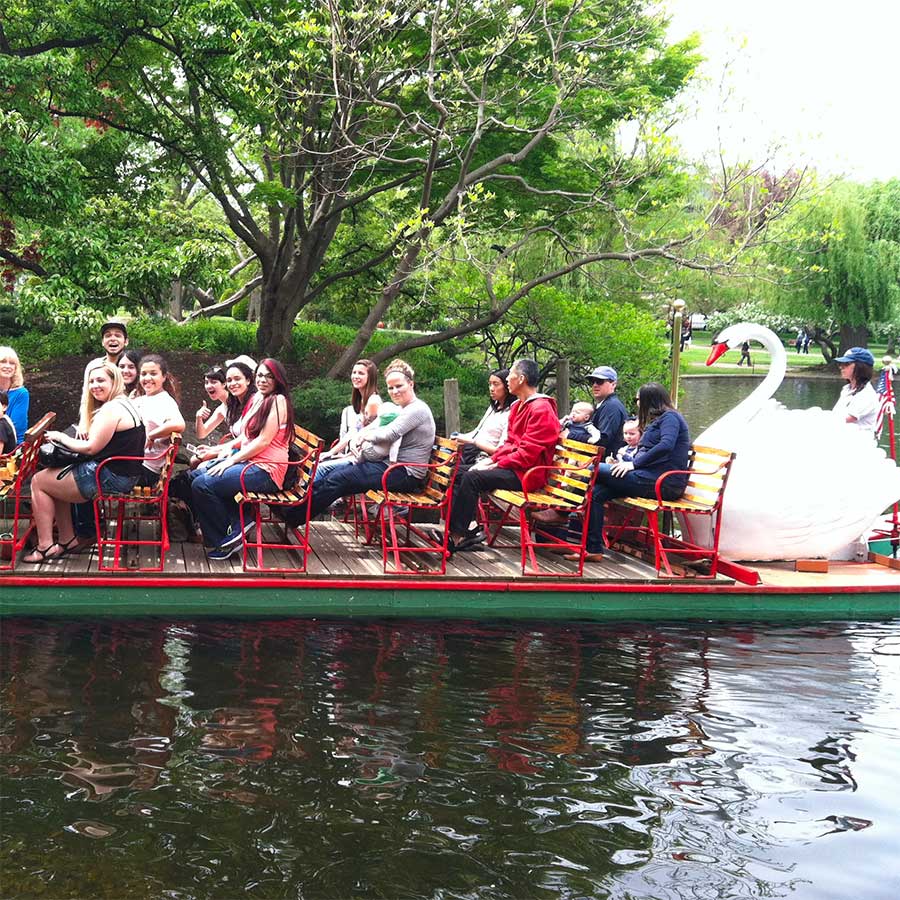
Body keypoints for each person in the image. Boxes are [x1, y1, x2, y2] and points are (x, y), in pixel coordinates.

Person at [23, 362, 145, 563]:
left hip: (110, 477)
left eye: (101, 380)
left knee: (38, 481)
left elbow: (91, 448)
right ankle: (67, 539)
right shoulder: (125, 403)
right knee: (53, 479)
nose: (95, 385)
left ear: (114, 381)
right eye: (91, 381)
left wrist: (59, 437)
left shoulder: (111, 409)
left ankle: (45, 546)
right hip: (123, 474)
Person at [445, 359, 559, 552]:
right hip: (514, 468)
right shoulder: (518, 406)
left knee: (473, 477)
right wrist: (492, 460)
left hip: (528, 474)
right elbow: (510, 444)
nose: (507, 380)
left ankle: (456, 537)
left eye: (511, 375)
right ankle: (462, 530)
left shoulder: (541, 409)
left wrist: (496, 465)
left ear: (521, 379)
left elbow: (527, 454)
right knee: (456, 472)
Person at [573, 382, 690, 563]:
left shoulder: (671, 418)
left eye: (638, 399)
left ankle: (562, 514)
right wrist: (625, 463)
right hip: (646, 477)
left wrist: (633, 464)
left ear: (649, 400)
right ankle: (593, 549)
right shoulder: (658, 420)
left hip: (663, 483)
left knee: (591, 469)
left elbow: (666, 445)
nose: (637, 403)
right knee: (596, 493)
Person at [191, 359, 294, 559]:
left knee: (203, 485)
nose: (263, 380)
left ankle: (227, 537)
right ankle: (238, 523)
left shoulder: (278, 400)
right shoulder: (259, 399)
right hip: (251, 463)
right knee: (197, 474)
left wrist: (231, 461)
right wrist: (220, 452)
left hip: (267, 470)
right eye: (261, 375)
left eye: (269, 376)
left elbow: (263, 441)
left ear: (278, 378)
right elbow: (246, 438)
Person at [308, 359, 436, 519]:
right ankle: (298, 509)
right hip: (390, 466)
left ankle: (295, 515)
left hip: (406, 474)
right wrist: (360, 435)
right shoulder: (401, 409)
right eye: (390, 388)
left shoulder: (417, 409)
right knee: (335, 475)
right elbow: (375, 426)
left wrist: (364, 437)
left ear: (411, 384)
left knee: (339, 479)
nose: (394, 391)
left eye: (399, 386)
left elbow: (390, 433)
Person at [316, 359, 382, 478]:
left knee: (321, 469)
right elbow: (353, 433)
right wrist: (331, 452)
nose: (356, 376)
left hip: (366, 460)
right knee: (319, 462)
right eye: (354, 372)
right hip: (355, 455)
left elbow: (368, 439)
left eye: (361, 373)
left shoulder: (373, 402)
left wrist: (347, 456)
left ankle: (309, 495)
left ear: (370, 377)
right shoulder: (362, 400)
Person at [134, 354, 186, 486]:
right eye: (143, 374)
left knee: (85, 474)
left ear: (163, 377)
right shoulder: (143, 399)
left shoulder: (164, 401)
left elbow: (179, 424)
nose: (147, 378)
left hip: (144, 468)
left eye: (153, 373)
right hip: (136, 462)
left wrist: (151, 436)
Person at [455, 368, 515, 465]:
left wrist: (474, 442)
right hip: (472, 449)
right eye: (490, 384)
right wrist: (458, 436)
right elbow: (477, 432)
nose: (491, 388)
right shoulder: (493, 407)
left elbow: (499, 450)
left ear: (507, 386)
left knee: (454, 468)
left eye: (496, 384)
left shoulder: (511, 412)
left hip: (484, 455)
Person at [833, 347, 878, 435]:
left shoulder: (866, 395)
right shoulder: (846, 390)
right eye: (841, 363)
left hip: (857, 445)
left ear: (860, 367)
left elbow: (843, 420)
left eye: (846, 364)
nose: (841, 367)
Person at [587, 365, 628, 459]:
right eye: (592, 381)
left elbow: (603, 440)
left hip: (607, 463)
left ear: (613, 384)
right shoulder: (604, 404)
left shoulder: (611, 406)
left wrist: (571, 435)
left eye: (600, 381)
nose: (595, 385)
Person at [0, 346, 29, 441]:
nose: (8, 366)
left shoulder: (21, 394)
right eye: (3, 362)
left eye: (12, 363)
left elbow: (15, 429)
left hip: (12, 446)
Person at [194, 367, 229, 440]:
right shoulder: (221, 409)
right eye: (206, 382)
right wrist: (198, 417)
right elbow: (201, 434)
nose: (209, 386)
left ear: (224, 384)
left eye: (213, 382)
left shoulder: (240, 401)